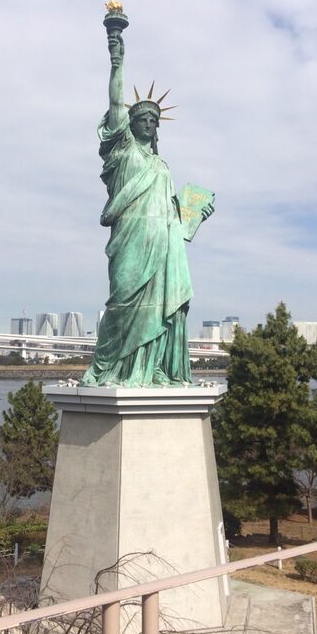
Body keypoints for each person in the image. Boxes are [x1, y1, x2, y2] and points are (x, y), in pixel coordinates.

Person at [81, 29, 213, 387]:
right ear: (130, 124)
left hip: (162, 243)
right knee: (122, 302)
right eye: (142, 118)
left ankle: (152, 368)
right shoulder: (121, 153)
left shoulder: (162, 167)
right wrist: (116, 62)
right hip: (130, 238)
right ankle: (110, 367)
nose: (150, 122)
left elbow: (175, 215)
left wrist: (193, 216)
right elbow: (113, 106)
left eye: (154, 120)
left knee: (159, 307)